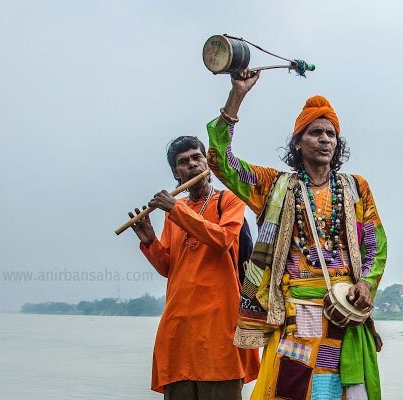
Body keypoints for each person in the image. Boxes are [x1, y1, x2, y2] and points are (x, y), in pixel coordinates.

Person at [206, 70, 387, 400]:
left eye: (331, 133)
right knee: (292, 389)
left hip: (344, 311)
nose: (325, 139)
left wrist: (366, 284)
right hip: (295, 312)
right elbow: (222, 162)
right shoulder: (274, 186)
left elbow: (375, 244)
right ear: (298, 142)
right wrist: (237, 96)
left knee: (345, 392)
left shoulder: (356, 187)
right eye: (315, 132)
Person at [128, 135, 259, 400]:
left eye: (197, 157)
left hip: (219, 326)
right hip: (179, 327)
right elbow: (168, 266)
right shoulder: (173, 211)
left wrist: (176, 209)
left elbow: (223, 240)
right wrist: (150, 240)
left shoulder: (229, 200)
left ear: (207, 163)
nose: (192, 165)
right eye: (183, 162)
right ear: (176, 173)